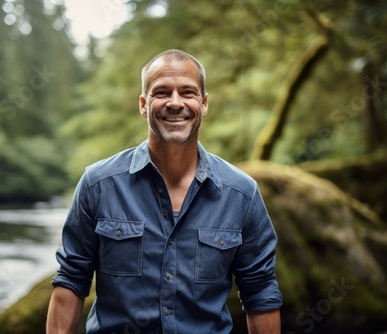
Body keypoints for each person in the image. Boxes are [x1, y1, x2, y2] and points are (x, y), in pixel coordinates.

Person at [47, 49, 283, 334]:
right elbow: (72, 280)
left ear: (204, 104)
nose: (175, 103)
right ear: (144, 105)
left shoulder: (241, 194)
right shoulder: (98, 185)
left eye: (187, 92)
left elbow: (260, 292)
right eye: (162, 92)